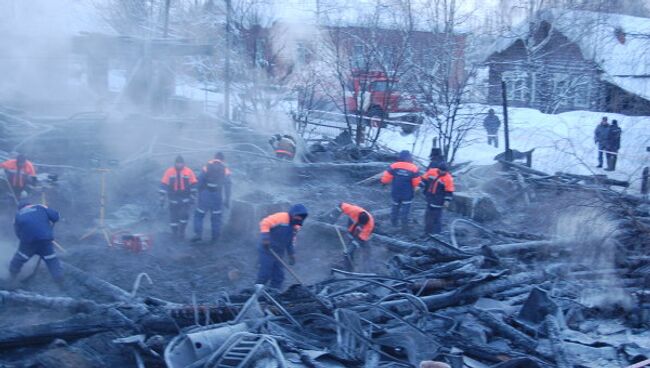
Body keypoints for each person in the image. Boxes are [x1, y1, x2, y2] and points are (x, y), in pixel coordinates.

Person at [256, 204, 308, 289]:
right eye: (298, 216)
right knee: (265, 273)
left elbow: (290, 241)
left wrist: (291, 254)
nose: (299, 218)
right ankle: (257, 292)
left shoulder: (296, 226)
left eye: (301, 217)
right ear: (293, 213)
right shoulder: (282, 217)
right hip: (267, 249)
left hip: (279, 252)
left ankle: (274, 292)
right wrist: (265, 238)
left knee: (279, 276)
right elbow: (264, 223)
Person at [9, 201, 63, 284]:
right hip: (45, 240)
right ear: (30, 204)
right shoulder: (40, 207)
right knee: (51, 260)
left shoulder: (18, 214)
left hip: (28, 242)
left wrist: (25, 241)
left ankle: (12, 278)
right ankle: (59, 281)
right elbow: (56, 216)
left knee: (18, 259)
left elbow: (18, 233)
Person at [192, 152, 232, 244]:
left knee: (199, 215)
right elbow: (228, 185)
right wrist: (227, 199)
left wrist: (195, 193)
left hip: (205, 195)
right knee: (216, 217)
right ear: (223, 159)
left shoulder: (206, 167)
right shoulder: (225, 170)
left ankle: (198, 234)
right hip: (217, 196)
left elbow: (199, 180)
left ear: (214, 158)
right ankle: (215, 237)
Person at [160, 156, 198, 239]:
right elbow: (164, 184)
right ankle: (174, 233)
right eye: (177, 163)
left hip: (185, 198)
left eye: (181, 163)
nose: (179, 165)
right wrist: (162, 197)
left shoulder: (189, 171)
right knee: (173, 217)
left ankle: (182, 232)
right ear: (175, 163)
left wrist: (193, 196)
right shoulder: (169, 172)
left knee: (184, 215)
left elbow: (194, 184)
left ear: (183, 163)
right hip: (173, 198)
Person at [381, 150, 421, 229]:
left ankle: (394, 224)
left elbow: (385, 179)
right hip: (407, 193)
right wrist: (417, 189)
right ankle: (404, 226)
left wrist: (383, 183)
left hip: (396, 192)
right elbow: (416, 183)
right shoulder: (414, 168)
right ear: (409, 157)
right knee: (405, 210)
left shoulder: (394, 166)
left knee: (395, 207)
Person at [328, 202, 374, 270]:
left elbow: (360, 239)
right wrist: (333, 217)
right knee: (349, 246)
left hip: (363, 235)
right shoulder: (354, 210)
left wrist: (350, 249)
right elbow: (341, 205)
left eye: (361, 225)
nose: (360, 225)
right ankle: (348, 265)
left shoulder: (369, 226)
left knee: (363, 248)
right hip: (352, 227)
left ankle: (367, 268)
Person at [420, 163, 455, 236]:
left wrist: (447, 201)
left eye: (444, 171)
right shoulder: (432, 171)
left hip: (439, 200)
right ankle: (427, 233)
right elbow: (423, 179)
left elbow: (449, 191)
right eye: (441, 170)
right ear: (438, 169)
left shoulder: (448, 178)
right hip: (429, 198)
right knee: (428, 216)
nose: (442, 172)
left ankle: (437, 234)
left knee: (437, 218)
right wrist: (419, 186)